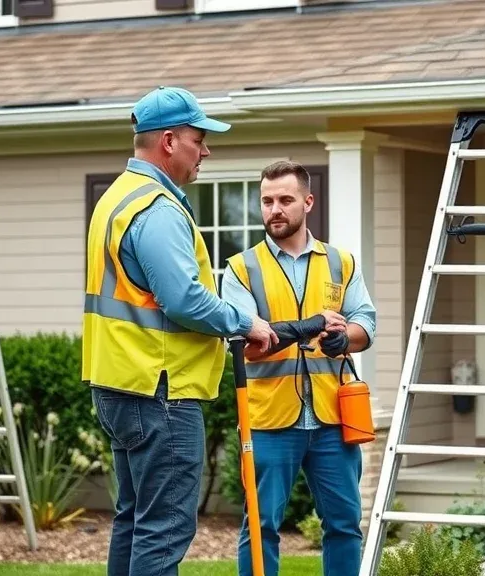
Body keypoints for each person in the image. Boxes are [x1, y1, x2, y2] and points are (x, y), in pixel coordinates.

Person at [83, 85, 278, 576]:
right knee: (165, 526)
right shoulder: (158, 208)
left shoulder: (116, 199)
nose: (206, 150)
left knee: (135, 519)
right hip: (160, 389)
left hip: (119, 383)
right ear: (169, 141)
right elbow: (184, 299)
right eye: (199, 139)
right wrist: (244, 321)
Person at [220, 160, 377, 576]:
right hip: (269, 420)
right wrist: (309, 326)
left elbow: (366, 320)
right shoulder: (241, 269)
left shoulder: (341, 263)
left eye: (285, 200)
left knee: (344, 526)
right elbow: (247, 346)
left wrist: (349, 338)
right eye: (267, 201)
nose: (275, 209)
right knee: (261, 525)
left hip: (332, 418)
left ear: (308, 202)